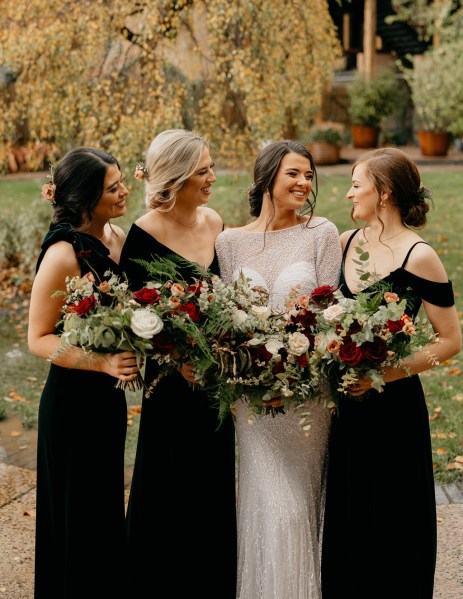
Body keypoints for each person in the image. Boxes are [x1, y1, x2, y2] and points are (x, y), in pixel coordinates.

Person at [321, 147, 462, 599]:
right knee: (350, 512)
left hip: (394, 408)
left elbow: (450, 340)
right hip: (346, 405)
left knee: (395, 518)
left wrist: (387, 372)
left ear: (383, 194)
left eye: (356, 184)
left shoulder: (419, 257)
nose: (348, 194)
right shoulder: (346, 243)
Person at [215, 139, 342, 599]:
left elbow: (331, 311)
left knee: (299, 508)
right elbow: (226, 325)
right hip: (252, 403)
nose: (304, 183)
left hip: (307, 399)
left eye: (309, 175)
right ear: (268, 176)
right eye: (294, 173)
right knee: (269, 506)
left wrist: (299, 366)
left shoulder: (321, 232)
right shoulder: (228, 243)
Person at [119, 129, 237, 598]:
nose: (212, 177)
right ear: (176, 177)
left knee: (212, 486)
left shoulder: (215, 222)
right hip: (170, 385)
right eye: (202, 170)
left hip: (215, 384)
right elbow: (130, 316)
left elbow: (229, 300)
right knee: (167, 488)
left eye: (210, 167)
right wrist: (174, 356)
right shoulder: (144, 234)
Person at [28, 147, 140, 599]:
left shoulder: (115, 234)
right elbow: (38, 338)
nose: (124, 191)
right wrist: (102, 362)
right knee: (75, 520)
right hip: (72, 406)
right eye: (113, 188)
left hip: (106, 405)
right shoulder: (62, 255)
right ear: (85, 198)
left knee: (102, 514)